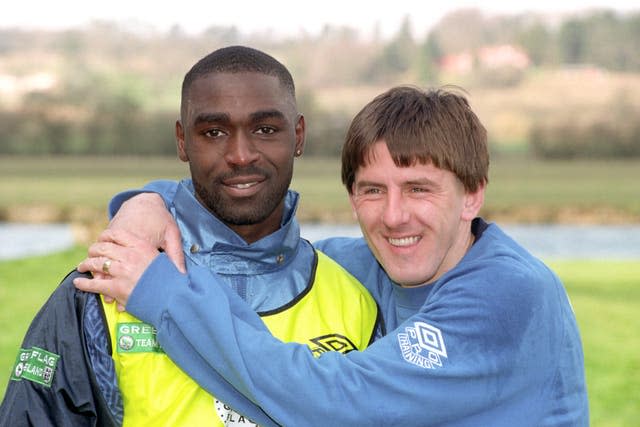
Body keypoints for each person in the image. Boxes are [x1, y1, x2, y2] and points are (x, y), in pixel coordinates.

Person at [74, 85, 589, 426]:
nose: (393, 217)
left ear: (473, 194)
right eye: (371, 190)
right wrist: (150, 201)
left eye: (418, 189)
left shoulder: (508, 294)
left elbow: (333, 404)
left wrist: (159, 291)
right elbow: (258, 248)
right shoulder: (364, 264)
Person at [0, 46, 380, 427]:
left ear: (298, 135)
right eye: (214, 132)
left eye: (265, 129)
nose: (241, 154)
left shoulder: (361, 302)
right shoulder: (103, 285)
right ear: (182, 141)